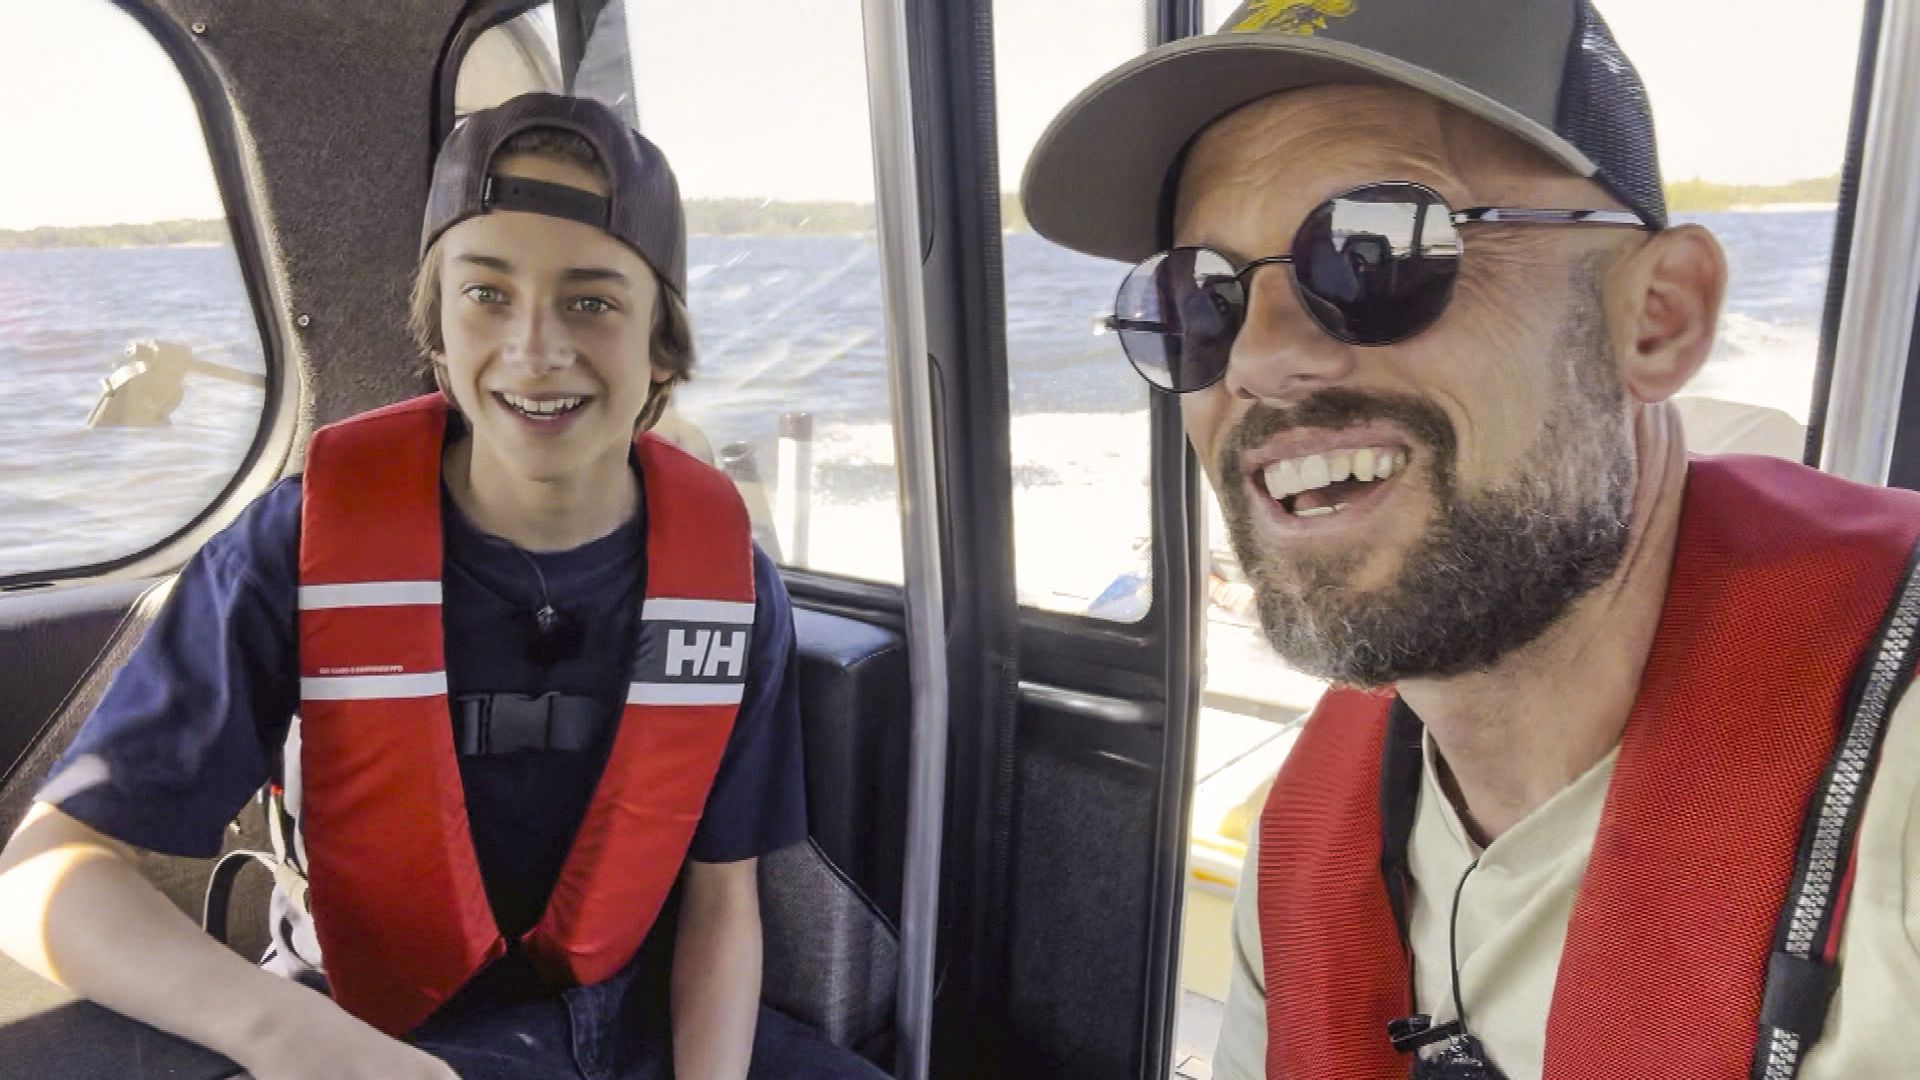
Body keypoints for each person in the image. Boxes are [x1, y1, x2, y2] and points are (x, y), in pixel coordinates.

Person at [1022, 2, 1920, 1078]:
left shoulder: (1895, 806)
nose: (1257, 361)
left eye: (1376, 249)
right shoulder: (1313, 837)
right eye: (1193, 300)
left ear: (1658, 318)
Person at [0, 92, 885, 1080]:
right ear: (437, 328)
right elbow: (43, 879)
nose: (535, 348)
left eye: (592, 300)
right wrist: (292, 1041)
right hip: (355, 1028)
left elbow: (723, 904)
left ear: (661, 344)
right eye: (488, 294)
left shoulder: (729, 585)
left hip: (637, 1029)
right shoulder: (293, 550)